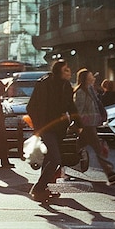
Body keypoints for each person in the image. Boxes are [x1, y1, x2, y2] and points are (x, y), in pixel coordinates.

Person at [26, 59, 81, 203]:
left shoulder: (66, 86)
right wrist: (39, 126)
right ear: (58, 71)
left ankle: (44, 190)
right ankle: (38, 188)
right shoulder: (43, 84)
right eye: (66, 70)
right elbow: (31, 107)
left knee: (50, 158)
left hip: (59, 128)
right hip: (46, 128)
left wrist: (79, 123)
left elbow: (71, 106)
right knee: (56, 158)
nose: (69, 73)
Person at [73, 69, 115, 185]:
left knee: (77, 147)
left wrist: (102, 114)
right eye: (91, 76)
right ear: (86, 78)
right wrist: (80, 124)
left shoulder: (91, 90)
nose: (94, 77)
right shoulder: (81, 92)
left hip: (92, 123)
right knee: (98, 148)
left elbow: (97, 103)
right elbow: (79, 110)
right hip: (87, 125)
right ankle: (110, 174)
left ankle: (58, 165)